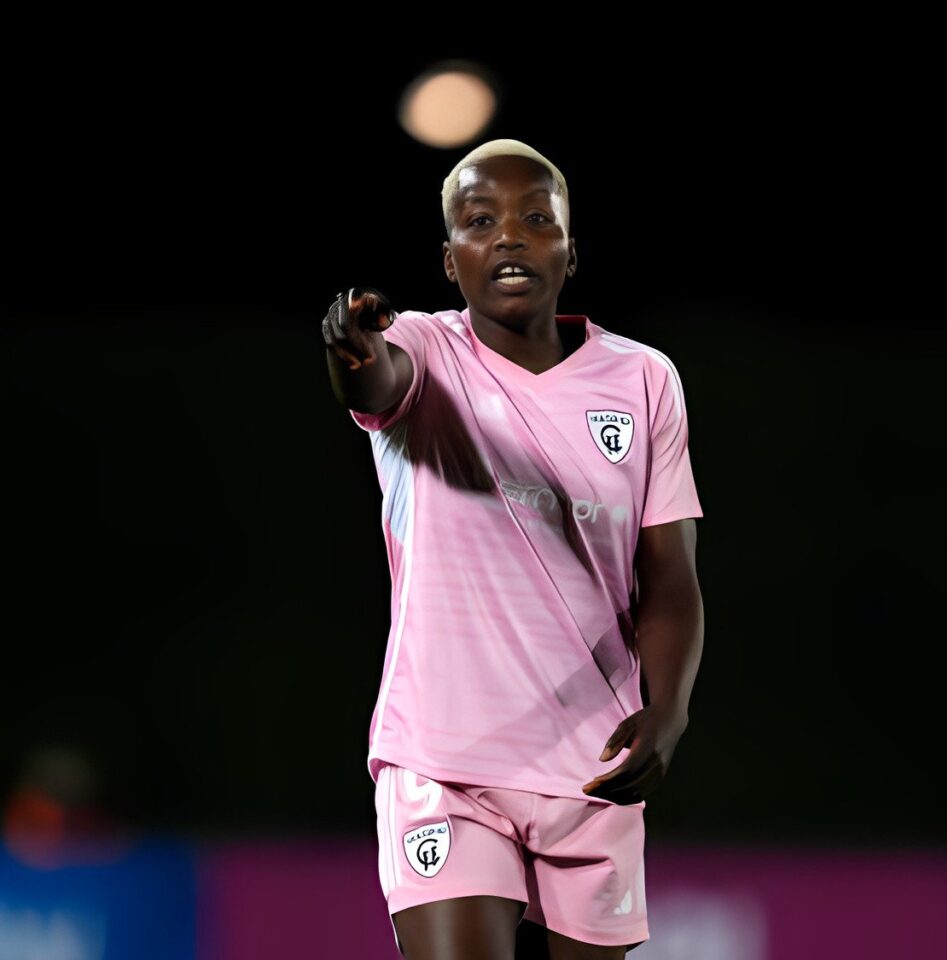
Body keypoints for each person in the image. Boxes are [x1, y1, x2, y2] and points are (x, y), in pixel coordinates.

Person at [322, 138, 705, 960]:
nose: (509, 237)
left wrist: (667, 716)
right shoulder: (425, 352)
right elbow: (376, 380)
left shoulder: (644, 382)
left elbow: (670, 577)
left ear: (571, 251)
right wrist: (352, 356)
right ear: (450, 258)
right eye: (480, 221)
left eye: (537, 219)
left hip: (592, 768)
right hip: (443, 760)